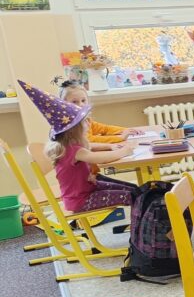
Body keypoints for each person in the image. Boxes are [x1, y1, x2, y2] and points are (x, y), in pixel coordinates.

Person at [19, 80, 135, 213]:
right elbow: (101, 159)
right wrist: (124, 151)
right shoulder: (75, 150)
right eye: (83, 123)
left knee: (133, 190)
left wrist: (90, 172)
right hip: (81, 200)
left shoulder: (68, 144)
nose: (87, 125)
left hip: (84, 190)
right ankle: (141, 225)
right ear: (74, 129)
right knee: (132, 195)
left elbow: (91, 149)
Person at [58, 80, 143, 144]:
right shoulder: (71, 124)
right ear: (64, 104)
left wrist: (126, 130)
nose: (81, 105)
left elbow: (104, 129)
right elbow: (89, 139)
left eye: (83, 100)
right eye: (74, 102)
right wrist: (120, 138)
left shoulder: (86, 120)